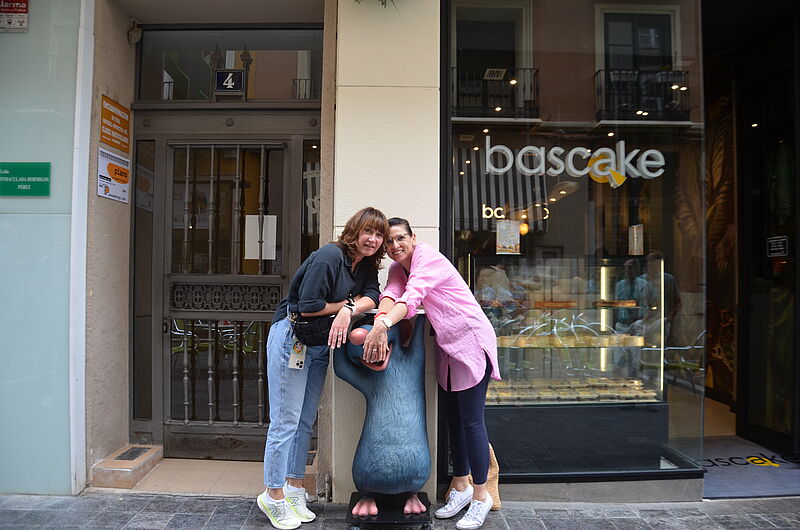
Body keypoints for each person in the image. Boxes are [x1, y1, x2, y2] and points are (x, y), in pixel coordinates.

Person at [363, 217, 501, 530]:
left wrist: (383, 324)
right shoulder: (397, 267)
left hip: (471, 341)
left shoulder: (428, 257)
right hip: (447, 347)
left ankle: (481, 496)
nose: (395, 245)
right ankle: (462, 487)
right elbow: (392, 293)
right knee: (454, 421)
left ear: (412, 237)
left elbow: (411, 298)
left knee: (471, 422)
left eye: (400, 238)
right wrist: (381, 318)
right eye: (389, 241)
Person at [257, 207, 389, 530]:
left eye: (379, 234)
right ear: (354, 231)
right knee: (285, 421)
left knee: (304, 419)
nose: (372, 239)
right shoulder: (330, 256)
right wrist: (346, 307)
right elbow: (307, 306)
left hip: (318, 342)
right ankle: (272, 495)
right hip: (292, 338)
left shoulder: (365, 265)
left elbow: (374, 295)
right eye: (368, 231)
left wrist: (349, 309)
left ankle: (293, 488)